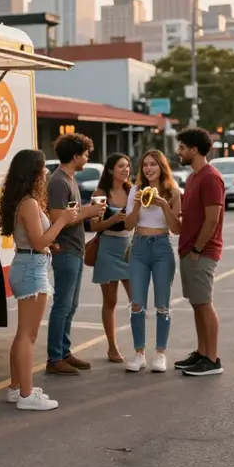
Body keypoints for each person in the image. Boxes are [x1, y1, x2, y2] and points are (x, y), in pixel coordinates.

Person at [0, 149, 79, 410]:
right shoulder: (29, 203)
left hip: (29, 263)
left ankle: (16, 388)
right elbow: (40, 240)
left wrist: (47, 244)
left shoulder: (22, 200)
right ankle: (26, 395)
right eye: (43, 168)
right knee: (27, 336)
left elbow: (37, 241)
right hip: (32, 267)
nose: (46, 172)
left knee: (23, 334)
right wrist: (62, 220)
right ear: (32, 172)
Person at [46, 133, 105, 376]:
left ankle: (64, 351)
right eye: (85, 154)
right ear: (75, 156)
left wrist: (88, 214)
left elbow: (72, 214)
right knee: (62, 305)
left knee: (71, 305)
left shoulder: (69, 179)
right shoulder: (59, 182)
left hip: (75, 249)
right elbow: (57, 216)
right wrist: (89, 211)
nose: (87, 158)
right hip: (65, 250)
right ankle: (54, 357)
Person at [123, 150, 181, 373]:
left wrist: (164, 205)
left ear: (162, 167)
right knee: (137, 303)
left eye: (153, 165)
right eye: (145, 165)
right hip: (138, 246)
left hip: (161, 247)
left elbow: (176, 229)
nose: (148, 168)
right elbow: (128, 225)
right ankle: (139, 354)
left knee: (162, 303)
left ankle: (160, 354)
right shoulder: (136, 190)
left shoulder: (173, 192)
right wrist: (137, 205)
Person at [175, 127, 225, 376]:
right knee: (197, 303)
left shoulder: (210, 177)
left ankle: (212, 359)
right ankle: (202, 352)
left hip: (202, 252)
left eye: (182, 147)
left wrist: (197, 249)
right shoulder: (193, 177)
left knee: (204, 303)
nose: (178, 152)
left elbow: (212, 219)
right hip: (188, 251)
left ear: (194, 149)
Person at [89, 153, 133, 363]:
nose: (125, 170)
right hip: (107, 248)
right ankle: (112, 348)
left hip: (129, 249)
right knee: (111, 301)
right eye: (120, 166)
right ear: (110, 170)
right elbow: (94, 226)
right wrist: (113, 219)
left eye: (127, 166)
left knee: (137, 300)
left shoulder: (132, 191)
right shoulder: (100, 193)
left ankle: (139, 347)